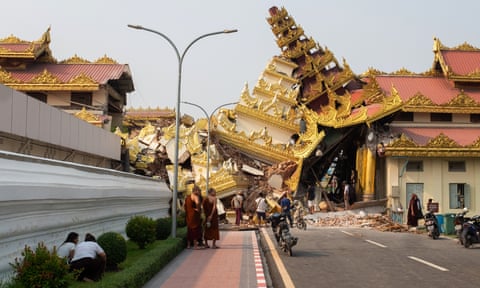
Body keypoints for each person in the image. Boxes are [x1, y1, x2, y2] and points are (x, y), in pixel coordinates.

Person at [185, 185, 204, 249]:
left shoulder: (188, 197)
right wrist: (198, 209)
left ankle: (188, 245)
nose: (199, 192)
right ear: (195, 191)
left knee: (189, 230)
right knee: (195, 230)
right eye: (198, 190)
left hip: (188, 215)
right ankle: (195, 246)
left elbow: (184, 206)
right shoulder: (196, 196)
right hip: (194, 215)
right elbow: (197, 203)